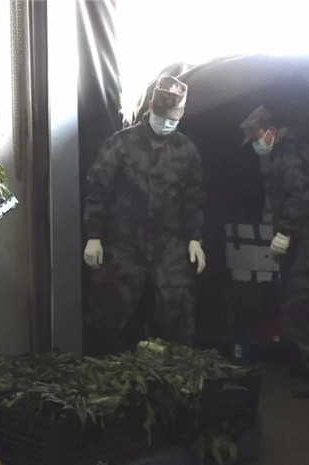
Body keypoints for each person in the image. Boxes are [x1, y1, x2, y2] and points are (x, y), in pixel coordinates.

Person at [83, 76, 206, 354]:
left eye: (173, 120)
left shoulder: (187, 150)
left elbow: (194, 198)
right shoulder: (120, 144)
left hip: (169, 247)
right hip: (122, 245)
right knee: (110, 316)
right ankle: (109, 371)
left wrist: (195, 239)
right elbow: (98, 190)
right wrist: (93, 237)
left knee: (178, 314)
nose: (167, 124)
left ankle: (177, 373)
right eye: (163, 118)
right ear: (151, 107)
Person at [240, 104, 309, 398]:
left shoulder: (289, 154)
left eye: (256, 138)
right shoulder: (293, 147)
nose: (256, 145)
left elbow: (301, 195)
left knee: (300, 304)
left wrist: (284, 231)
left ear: (270, 131)